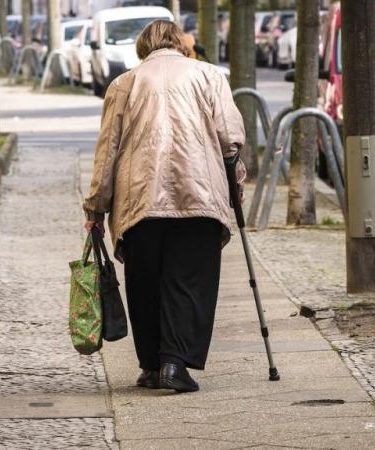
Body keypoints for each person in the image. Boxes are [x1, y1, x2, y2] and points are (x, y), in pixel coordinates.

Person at [83, 20, 246, 393]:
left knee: (145, 281)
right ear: (181, 44)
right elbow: (231, 140)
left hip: (140, 199)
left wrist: (95, 207)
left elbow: (107, 152)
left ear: (143, 48)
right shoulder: (209, 76)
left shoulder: (124, 84)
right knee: (189, 279)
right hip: (199, 195)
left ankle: (152, 366)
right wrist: (236, 187)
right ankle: (175, 363)